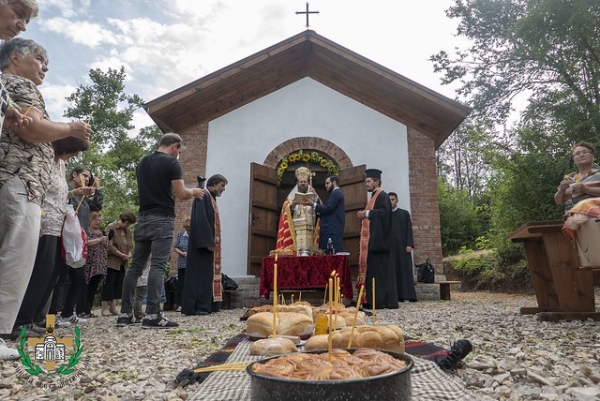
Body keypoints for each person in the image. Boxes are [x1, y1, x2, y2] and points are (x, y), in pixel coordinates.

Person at [0, 38, 91, 359]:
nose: (45, 67)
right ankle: (8, 327)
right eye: (39, 59)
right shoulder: (19, 85)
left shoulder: (9, 89)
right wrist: (71, 126)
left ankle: (16, 324)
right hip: (18, 179)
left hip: (22, 182)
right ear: (15, 58)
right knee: (14, 257)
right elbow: (34, 129)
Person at [117, 133, 204, 328]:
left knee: (135, 267)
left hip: (143, 218)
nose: (179, 154)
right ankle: (153, 314)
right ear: (174, 145)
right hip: (162, 218)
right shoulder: (172, 163)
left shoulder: (142, 162)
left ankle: (125, 314)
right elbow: (181, 194)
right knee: (157, 266)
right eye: (179, 150)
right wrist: (194, 192)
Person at [11, 136, 90, 339]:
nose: (75, 156)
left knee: (50, 274)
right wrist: (38, 218)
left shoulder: (62, 165)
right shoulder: (44, 159)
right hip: (42, 224)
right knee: (39, 272)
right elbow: (38, 190)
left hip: (58, 226)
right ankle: (18, 322)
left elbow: (59, 194)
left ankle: (34, 318)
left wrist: (75, 192)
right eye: (73, 152)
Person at [50, 166, 100, 325]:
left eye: (89, 178)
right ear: (74, 174)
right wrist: (74, 194)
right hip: (64, 240)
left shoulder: (84, 199)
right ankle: (52, 315)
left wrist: (96, 188)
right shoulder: (67, 191)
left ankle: (67, 313)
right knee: (62, 278)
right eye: (85, 176)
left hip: (79, 243)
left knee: (79, 278)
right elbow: (56, 200)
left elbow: (97, 206)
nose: (87, 179)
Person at [182, 174, 227, 316]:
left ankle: (207, 305)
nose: (223, 189)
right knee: (200, 276)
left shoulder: (210, 197)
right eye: (222, 185)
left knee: (206, 276)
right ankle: (200, 306)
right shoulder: (203, 196)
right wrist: (208, 241)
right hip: (202, 246)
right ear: (213, 185)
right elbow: (201, 220)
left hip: (206, 244)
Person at [356, 169, 397, 309]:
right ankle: (372, 300)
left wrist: (366, 213)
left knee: (379, 273)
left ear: (376, 182)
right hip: (372, 243)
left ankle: (380, 301)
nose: (366, 184)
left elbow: (384, 214)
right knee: (372, 272)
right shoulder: (374, 197)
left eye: (368, 181)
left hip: (379, 243)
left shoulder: (382, 196)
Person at [275, 166, 320, 255]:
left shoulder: (314, 195)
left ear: (308, 183)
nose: (303, 183)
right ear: (297, 183)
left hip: (310, 229)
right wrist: (293, 205)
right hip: (296, 231)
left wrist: (315, 198)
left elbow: (320, 209)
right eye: (301, 182)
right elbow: (285, 211)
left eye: (305, 182)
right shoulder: (290, 197)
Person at [101, 210, 136, 316]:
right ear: (124, 220)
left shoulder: (128, 232)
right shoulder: (111, 227)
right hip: (111, 261)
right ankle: (105, 308)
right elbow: (109, 245)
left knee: (118, 284)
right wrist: (120, 254)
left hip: (122, 262)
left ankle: (113, 307)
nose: (128, 225)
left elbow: (130, 245)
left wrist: (128, 254)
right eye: (128, 223)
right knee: (109, 283)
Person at [554, 141, 600, 212]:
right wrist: (561, 190)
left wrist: (587, 189)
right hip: (572, 218)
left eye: (585, 152)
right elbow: (558, 201)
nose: (581, 155)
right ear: (574, 160)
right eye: (577, 154)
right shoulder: (569, 177)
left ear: (593, 156)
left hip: (595, 216)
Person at [388, 192, 417, 302]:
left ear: (397, 201)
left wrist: (409, 244)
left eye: (393, 199)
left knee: (404, 270)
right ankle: (396, 296)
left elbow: (409, 230)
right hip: (390, 247)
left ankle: (408, 295)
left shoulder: (404, 214)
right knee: (393, 271)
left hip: (403, 247)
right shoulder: (386, 215)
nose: (391, 202)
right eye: (389, 200)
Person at [80, 211, 109, 318]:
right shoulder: (86, 231)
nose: (97, 222)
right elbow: (84, 243)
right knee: (85, 287)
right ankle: (82, 310)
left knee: (93, 288)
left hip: (99, 265)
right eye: (95, 220)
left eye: (99, 220)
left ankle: (88, 310)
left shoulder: (102, 232)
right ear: (90, 220)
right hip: (89, 263)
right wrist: (98, 240)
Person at [313, 175, 345, 253]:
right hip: (329, 230)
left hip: (332, 231)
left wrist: (313, 204)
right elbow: (327, 211)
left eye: (327, 183)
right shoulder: (333, 194)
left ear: (334, 182)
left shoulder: (336, 193)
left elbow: (328, 208)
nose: (325, 186)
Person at [173, 218, 191, 312]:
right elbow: (175, 247)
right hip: (182, 262)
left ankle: (189, 303)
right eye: (187, 228)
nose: (188, 230)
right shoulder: (181, 234)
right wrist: (182, 253)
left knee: (190, 284)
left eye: (189, 229)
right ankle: (180, 304)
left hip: (192, 264)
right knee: (181, 284)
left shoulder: (194, 235)